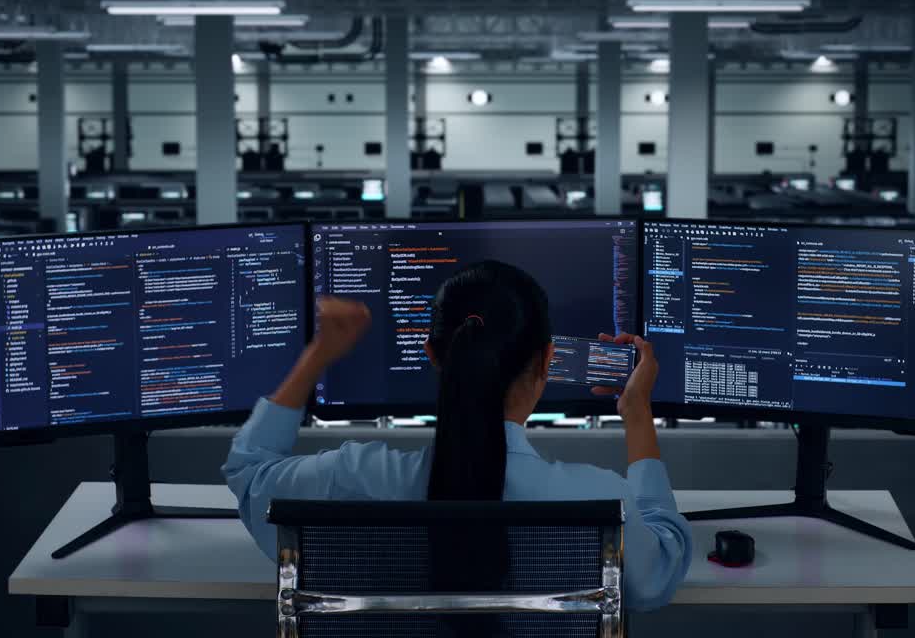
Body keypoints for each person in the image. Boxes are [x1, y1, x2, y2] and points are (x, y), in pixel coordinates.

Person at [223, 260, 693, 611]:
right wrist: (636, 410)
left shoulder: (347, 480)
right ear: (549, 361)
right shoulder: (599, 504)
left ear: (432, 354)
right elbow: (658, 573)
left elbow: (249, 471)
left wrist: (318, 354)